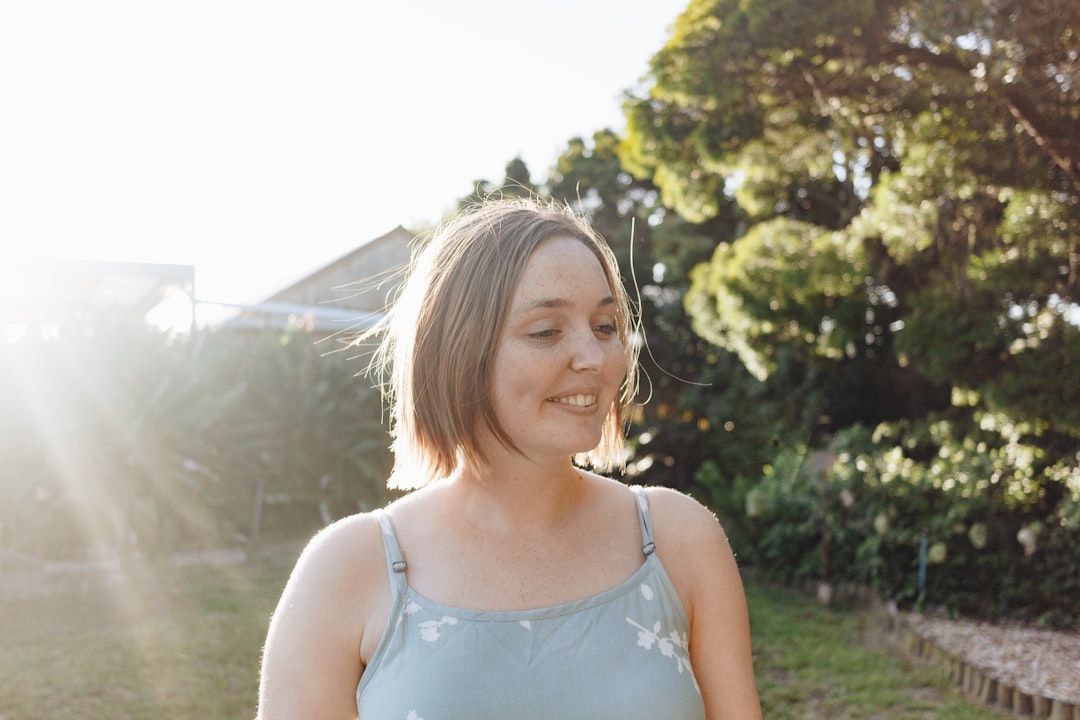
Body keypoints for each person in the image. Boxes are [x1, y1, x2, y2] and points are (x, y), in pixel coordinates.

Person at [256, 198, 762, 720]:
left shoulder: (681, 540)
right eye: (547, 331)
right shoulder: (347, 568)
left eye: (606, 325)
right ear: (457, 351)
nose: (594, 357)